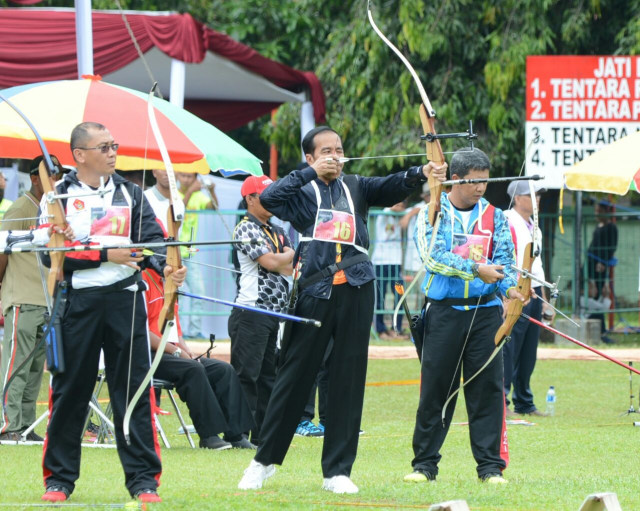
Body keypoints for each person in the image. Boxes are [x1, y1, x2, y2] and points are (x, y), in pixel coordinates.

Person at [238, 125, 447, 494]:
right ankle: (263, 461)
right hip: (315, 291)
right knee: (294, 377)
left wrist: (422, 173)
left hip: (357, 287)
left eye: (338, 149)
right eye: (325, 151)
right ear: (310, 157)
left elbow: (390, 185)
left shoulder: (356, 185)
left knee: (347, 378)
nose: (335, 155)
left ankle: (337, 471)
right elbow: (270, 197)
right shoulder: (301, 190)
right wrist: (310, 173)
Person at [40, 122, 186, 504]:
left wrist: (165, 266)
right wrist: (105, 255)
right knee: (70, 391)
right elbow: (51, 256)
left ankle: (143, 481)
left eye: (114, 145)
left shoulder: (130, 192)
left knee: (134, 391)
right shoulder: (58, 196)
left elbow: (154, 241)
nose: (112, 152)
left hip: (125, 302)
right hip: (78, 304)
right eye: (103, 146)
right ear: (80, 155)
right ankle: (58, 480)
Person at [405, 148, 525, 486]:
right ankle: (424, 466)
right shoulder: (432, 211)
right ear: (455, 178)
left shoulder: (496, 216)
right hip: (444, 313)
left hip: (486, 314)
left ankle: (490, 468)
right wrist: (476, 269)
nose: (481, 188)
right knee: (436, 391)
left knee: (487, 391)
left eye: (485, 181)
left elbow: (505, 261)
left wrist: (511, 289)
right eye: (474, 181)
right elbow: (433, 257)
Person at [142, 267, 255, 451]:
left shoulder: (170, 285)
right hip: (148, 354)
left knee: (223, 370)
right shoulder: (144, 281)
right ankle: (209, 435)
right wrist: (177, 352)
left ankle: (237, 435)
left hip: (171, 352)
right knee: (193, 369)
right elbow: (141, 332)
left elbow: (174, 329)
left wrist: (187, 351)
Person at [0, 156, 65, 442]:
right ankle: (7, 424)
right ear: (34, 178)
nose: (56, 180)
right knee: (16, 364)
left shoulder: (53, 211)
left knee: (35, 367)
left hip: (45, 300)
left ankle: (24, 425)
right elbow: (2, 250)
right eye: (50, 174)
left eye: (58, 175)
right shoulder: (20, 208)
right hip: (22, 296)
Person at [229, 175, 294, 446]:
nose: (271, 202)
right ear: (250, 199)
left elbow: (291, 263)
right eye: (264, 196)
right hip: (251, 311)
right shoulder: (245, 228)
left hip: (274, 314)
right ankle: (238, 433)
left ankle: (262, 433)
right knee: (247, 375)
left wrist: (284, 258)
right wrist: (285, 257)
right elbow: (269, 262)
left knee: (269, 376)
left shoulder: (277, 229)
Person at [503, 181, 554, 417]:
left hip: (533, 293)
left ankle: (524, 400)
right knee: (509, 347)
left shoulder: (535, 227)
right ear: (516, 198)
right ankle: (501, 401)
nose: (536, 201)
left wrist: (544, 301)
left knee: (528, 351)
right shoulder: (506, 220)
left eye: (538, 196)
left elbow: (538, 268)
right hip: (515, 293)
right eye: (530, 196)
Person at [175, 172, 220, 338]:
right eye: (184, 176)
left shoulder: (198, 196)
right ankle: (175, 332)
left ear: (195, 178)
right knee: (173, 294)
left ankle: (194, 332)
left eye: (190, 177)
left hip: (189, 253)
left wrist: (212, 191)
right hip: (172, 253)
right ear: (177, 177)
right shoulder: (173, 194)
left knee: (198, 292)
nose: (186, 179)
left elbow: (214, 208)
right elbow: (177, 213)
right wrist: (189, 193)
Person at [372, 201, 407, 339]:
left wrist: (408, 214)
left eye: (402, 204)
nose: (399, 207)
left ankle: (396, 329)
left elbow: (418, 208)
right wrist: (402, 210)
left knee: (400, 295)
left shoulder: (401, 216)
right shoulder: (383, 214)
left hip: (395, 262)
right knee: (380, 297)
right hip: (381, 262)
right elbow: (392, 208)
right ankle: (380, 330)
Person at [586, 201, 617, 326]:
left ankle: (600, 326)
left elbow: (611, 247)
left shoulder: (611, 227)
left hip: (600, 266)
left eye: (599, 211)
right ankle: (592, 322)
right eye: (596, 211)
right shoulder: (598, 226)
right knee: (590, 294)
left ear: (606, 212)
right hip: (590, 264)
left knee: (598, 294)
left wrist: (603, 262)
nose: (596, 214)